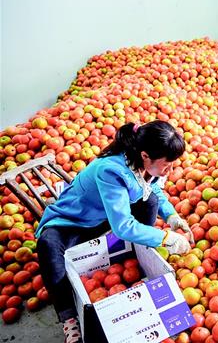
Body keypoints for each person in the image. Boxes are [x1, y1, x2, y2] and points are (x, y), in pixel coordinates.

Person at [35, 120, 193, 343]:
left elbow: (153, 187)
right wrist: (166, 237)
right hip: (74, 221)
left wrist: (171, 216)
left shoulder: (143, 162)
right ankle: (69, 318)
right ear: (146, 155)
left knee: (151, 201)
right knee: (48, 245)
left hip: (104, 217)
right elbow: (123, 226)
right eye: (167, 164)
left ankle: (140, 251)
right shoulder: (111, 170)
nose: (170, 170)